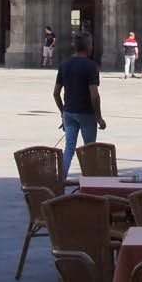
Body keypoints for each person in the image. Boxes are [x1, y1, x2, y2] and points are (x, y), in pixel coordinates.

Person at [54, 31, 103, 177]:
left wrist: (63, 112)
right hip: (86, 113)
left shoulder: (64, 64)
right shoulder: (91, 66)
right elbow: (94, 95)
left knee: (69, 148)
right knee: (90, 149)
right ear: (88, 46)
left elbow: (56, 93)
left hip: (69, 113)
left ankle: (60, 180)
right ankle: (90, 181)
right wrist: (99, 117)